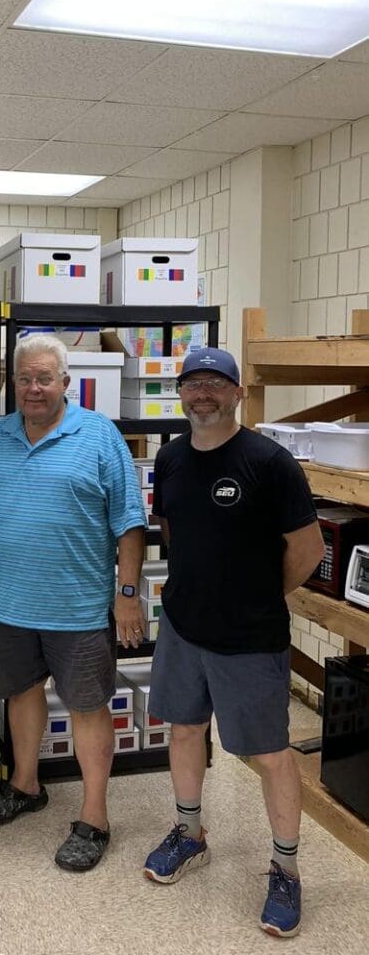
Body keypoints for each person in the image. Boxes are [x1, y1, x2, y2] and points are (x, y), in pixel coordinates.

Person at [143, 347, 325, 939]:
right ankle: (190, 832)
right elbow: (172, 530)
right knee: (184, 729)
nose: (202, 393)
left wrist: (254, 596)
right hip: (182, 627)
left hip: (250, 637)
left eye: (215, 383)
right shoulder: (169, 460)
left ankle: (286, 869)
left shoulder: (269, 463)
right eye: (192, 383)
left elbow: (308, 550)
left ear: (236, 394)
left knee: (268, 755)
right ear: (181, 393)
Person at [0, 333, 147, 871]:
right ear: (12, 383)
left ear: (66, 382)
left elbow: (130, 521)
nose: (34, 388)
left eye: (45, 377)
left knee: (89, 709)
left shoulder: (99, 436)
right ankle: (26, 785)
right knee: (21, 697)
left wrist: (127, 594)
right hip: (10, 605)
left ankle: (94, 818)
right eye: (24, 378)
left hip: (79, 607)